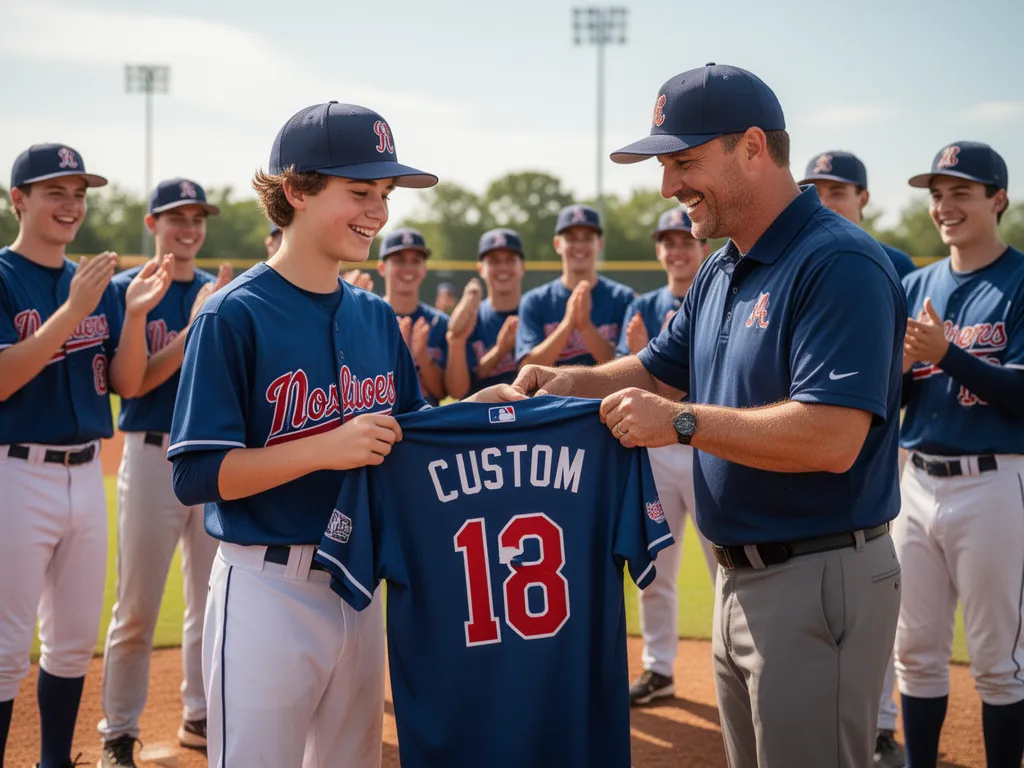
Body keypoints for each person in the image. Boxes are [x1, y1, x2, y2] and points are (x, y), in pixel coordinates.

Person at [498, 64, 906, 767]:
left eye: (684, 161)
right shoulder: (724, 266)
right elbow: (658, 369)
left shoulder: (837, 261)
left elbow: (834, 437)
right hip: (739, 578)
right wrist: (563, 382)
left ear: (752, 146)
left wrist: (682, 424)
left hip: (817, 574)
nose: (667, 186)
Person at [166, 101, 437, 768]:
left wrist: (494, 406)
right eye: (359, 192)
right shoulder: (234, 315)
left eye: (384, 194)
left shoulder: (377, 318)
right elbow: (196, 474)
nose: (378, 211)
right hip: (267, 587)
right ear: (296, 189)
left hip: (358, 586)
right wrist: (324, 448)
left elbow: (414, 432)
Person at [0, 143, 171, 768]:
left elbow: (127, 383)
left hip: (83, 474)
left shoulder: (94, 284)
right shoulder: (4, 275)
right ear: (18, 200)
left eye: (79, 193)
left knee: (72, 643)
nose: (71, 205)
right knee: (6, 648)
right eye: (55, 192)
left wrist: (130, 316)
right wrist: (72, 311)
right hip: (14, 473)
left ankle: (53, 761)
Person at [896, 141, 1024, 768]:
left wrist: (945, 353)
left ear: (997, 199)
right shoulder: (914, 285)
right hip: (916, 481)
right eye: (937, 195)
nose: (945, 206)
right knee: (915, 652)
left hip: (997, 482)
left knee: (998, 660)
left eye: (962, 192)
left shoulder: (1020, 280)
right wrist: (894, 368)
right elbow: (889, 397)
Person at [97, 178, 232, 768]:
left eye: (198, 218)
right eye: (177, 218)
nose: (190, 228)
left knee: (210, 597)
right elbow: (132, 384)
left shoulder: (216, 292)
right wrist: (193, 328)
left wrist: (212, 315)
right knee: (136, 606)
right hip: (151, 455)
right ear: (152, 224)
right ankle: (119, 731)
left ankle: (198, 714)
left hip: (206, 459)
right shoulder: (128, 289)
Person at [799, 149, 913, 768]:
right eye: (816, 187)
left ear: (864, 197)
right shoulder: (805, 255)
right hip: (823, 440)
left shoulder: (888, 262)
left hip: (876, 443)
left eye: (839, 189)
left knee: (874, 591)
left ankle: (884, 721)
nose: (827, 197)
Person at [619, 207, 717, 707]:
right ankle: (658, 668)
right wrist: (639, 356)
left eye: (685, 240)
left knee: (726, 564)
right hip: (657, 453)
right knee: (655, 565)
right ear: (659, 250)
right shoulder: (644, 304)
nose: (677, 250)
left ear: (700, 245)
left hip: (707, 444)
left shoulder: (723, 295)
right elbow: (632, 376)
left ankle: (734, 664)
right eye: (668, 242)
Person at [515, 204, 633, 368]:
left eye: (587, 238)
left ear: (599, 244)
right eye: (571, 238)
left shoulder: (622, 298)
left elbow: (624, 369)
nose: (579, 245)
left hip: (604, 394)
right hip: (551, 393)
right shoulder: (534, 301)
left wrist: (585, 326)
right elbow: (527, 368)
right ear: (557, 244)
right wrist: (567, 324)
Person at [799, 150, 917, 279]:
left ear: (862, 199)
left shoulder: (895, 264)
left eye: (837, 193)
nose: (823, 203)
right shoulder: (795, 262)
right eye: (815, 193)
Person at [445, 228, 525, 399]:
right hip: (481, 417)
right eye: (494, 261)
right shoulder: (472, 316)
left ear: (522, 267)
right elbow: (458, 390)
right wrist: (499, 350)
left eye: (510, 260)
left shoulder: (534, 310)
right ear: (481, 268)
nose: (503, 267)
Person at [377, 227, 448, 404]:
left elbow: (441, 393)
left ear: (424, 269)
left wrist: (422, 356)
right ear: (381, 267)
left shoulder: (439, 323)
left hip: (426, 424)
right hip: (380, 421)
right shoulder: (368, 316)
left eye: (416, 261)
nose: (408, 268)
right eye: (398, 260)